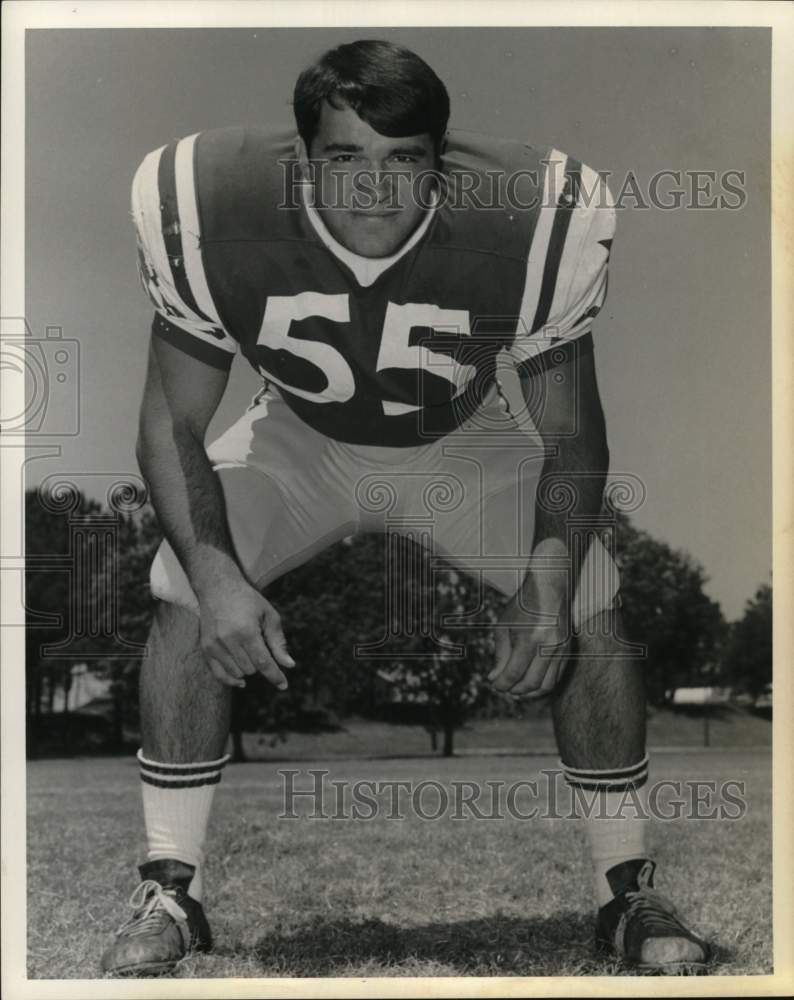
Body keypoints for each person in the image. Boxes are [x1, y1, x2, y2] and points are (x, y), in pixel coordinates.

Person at [101, 39, 710, 976]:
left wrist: (544, 583)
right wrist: (221, 579)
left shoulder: (536, 218)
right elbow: (170, 423)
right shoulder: (208, 200)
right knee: (185, 578)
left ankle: (627, 891)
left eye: (405, 160)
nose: (375, 189)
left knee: (589, 588)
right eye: (344, 158)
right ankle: (169, 888)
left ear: (441, 160)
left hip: (460, 443)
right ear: (302, 159)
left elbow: (575, 437)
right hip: (294, 437)